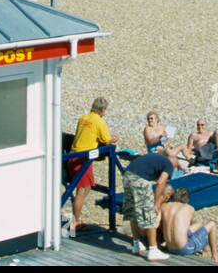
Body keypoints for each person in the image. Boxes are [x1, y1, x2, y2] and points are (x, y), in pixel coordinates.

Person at [68, 97, 119, 234]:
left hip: (73, 156)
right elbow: (106, 140)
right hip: (82, 159)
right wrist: (114, 139)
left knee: (87, 187)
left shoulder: (83, 118)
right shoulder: (99, 122)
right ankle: (75, 222)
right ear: (102, 110)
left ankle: (76, 218)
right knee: (82, 189)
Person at [122, 151, 173, 261]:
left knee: (133, 211)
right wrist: (156, 203)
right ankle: (153, 250)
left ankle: (136, 245)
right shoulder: (169, 165)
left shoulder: (156, 159)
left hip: (127, 175)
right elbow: (160, 183)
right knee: (149, 214)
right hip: (140, 180)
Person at [159, 187, 218, 263]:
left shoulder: (164, 206)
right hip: (184, 249)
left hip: (169, 247)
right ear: (187, 199)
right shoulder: (189, 208)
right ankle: (215, 256)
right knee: (212, 224)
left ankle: (205, 249)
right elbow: (187, 230)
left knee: (199, 224)